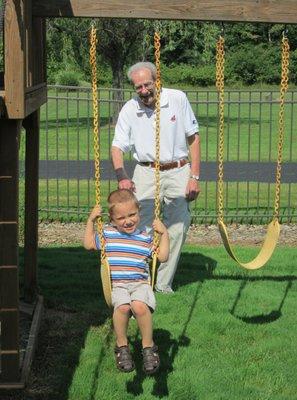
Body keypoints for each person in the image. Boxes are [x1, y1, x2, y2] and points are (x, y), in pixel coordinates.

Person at [111, 61, 200, 294]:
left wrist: (195, 177)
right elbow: (117, 146)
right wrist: (121, 175)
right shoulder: (130, 109)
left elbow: (194, 138)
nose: (143, 91)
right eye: (138, 87)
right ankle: (139, 278)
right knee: (139, 225)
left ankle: (163, 283)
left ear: (156, 81)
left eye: (146, 84)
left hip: (178, 169)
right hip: (146, 170)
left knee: (178, 226)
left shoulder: (177, 99)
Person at [83, 189, 169, 374]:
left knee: (139, 306)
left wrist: (164, 234)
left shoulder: (145, 238)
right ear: (112, 219)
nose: (128, 220)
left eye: (132, 214)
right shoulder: (107, 235)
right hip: (118, 285)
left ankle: (148, 346)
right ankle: (122, 346)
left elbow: (162, 257)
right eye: (121, 218)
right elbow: (89, 244)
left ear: (139, 212)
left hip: (140, 284)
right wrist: (91, 220)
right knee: (122, 307)